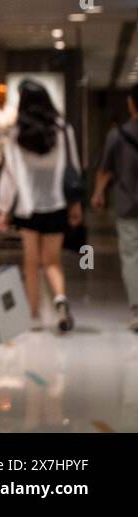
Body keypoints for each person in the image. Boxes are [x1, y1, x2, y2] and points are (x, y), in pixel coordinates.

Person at [0, 79, 83, 332]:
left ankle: (33, 315)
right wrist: (75, 204)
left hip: (28, 207)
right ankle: (60, 300)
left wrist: (2, 209)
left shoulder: (16, 136)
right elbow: (73, 169)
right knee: (52, 261)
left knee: (31, 262)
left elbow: (9, 176)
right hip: (57, 204)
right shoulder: (63, 130)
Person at [92, 83, 138, 333]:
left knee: (132, 257)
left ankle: (137, 309)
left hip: (128, 204)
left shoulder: (117, 135)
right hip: (127, 205)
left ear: (131, 104)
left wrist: (98, 193)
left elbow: (105, 170)